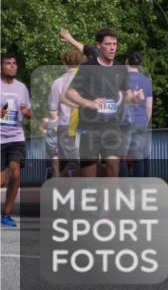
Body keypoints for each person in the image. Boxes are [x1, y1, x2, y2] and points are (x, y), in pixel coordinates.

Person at [65, 29, 144, 178]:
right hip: (89, 127)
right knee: (89, 176)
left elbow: (126, 96)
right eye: (108, 44)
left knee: (113, 168)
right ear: (99, 45)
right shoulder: (87, 67)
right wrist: (88, 103)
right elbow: (70, 93)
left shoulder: (121, 69)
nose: (112, 47)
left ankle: (109, 201)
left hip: (112, 126)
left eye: (114, 44)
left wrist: (135, 98)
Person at [1, 53, 31, 227]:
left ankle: (6, 214)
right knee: (1, 181)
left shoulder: (21, 87)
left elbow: (29, 112)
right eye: (8, 63)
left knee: (15, 174)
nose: (12, 66)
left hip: (16, 136)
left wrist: (28, 113)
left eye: (14, 63)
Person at [118, 51, 153, 178]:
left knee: (121, 157)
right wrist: (145, 121)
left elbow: (118, 102)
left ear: (126, 61)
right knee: (139, 158)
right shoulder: (146, 81)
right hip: (141, 122)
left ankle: (125, 188)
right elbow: (149, 106)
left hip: (125, 123)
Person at [51, 48, 84, 177]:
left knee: (69, 161)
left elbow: (53, 110)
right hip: (85, 124)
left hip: (65, 124)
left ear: (64, 62)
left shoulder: (58, 83)